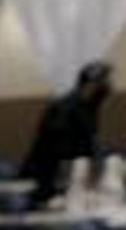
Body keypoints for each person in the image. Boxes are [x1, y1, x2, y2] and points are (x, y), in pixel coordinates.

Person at [19, 61, 115, 202]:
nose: (108, 86)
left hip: (64, 179)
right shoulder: (65, 108)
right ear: (91, 84)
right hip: (44, 180)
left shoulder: (89, 108)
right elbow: (58, 150)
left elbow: (90, 143)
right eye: (104, 82)